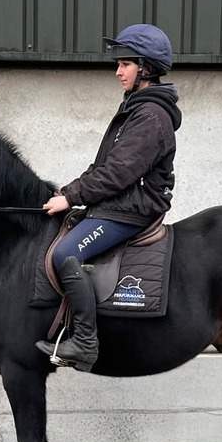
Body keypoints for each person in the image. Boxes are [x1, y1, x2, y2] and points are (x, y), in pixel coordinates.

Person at [35, 23, 182, 372]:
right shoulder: (136, 107)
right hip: (117, 204)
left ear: (146, 68)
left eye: (125, 64)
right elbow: (104, 165)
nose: (118, 72)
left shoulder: (151, 116)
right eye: (118, 64)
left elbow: (119, 173)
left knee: (67, 252)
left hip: (131, 209)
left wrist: (71, 197)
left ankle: (85, 341)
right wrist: (69, 190)